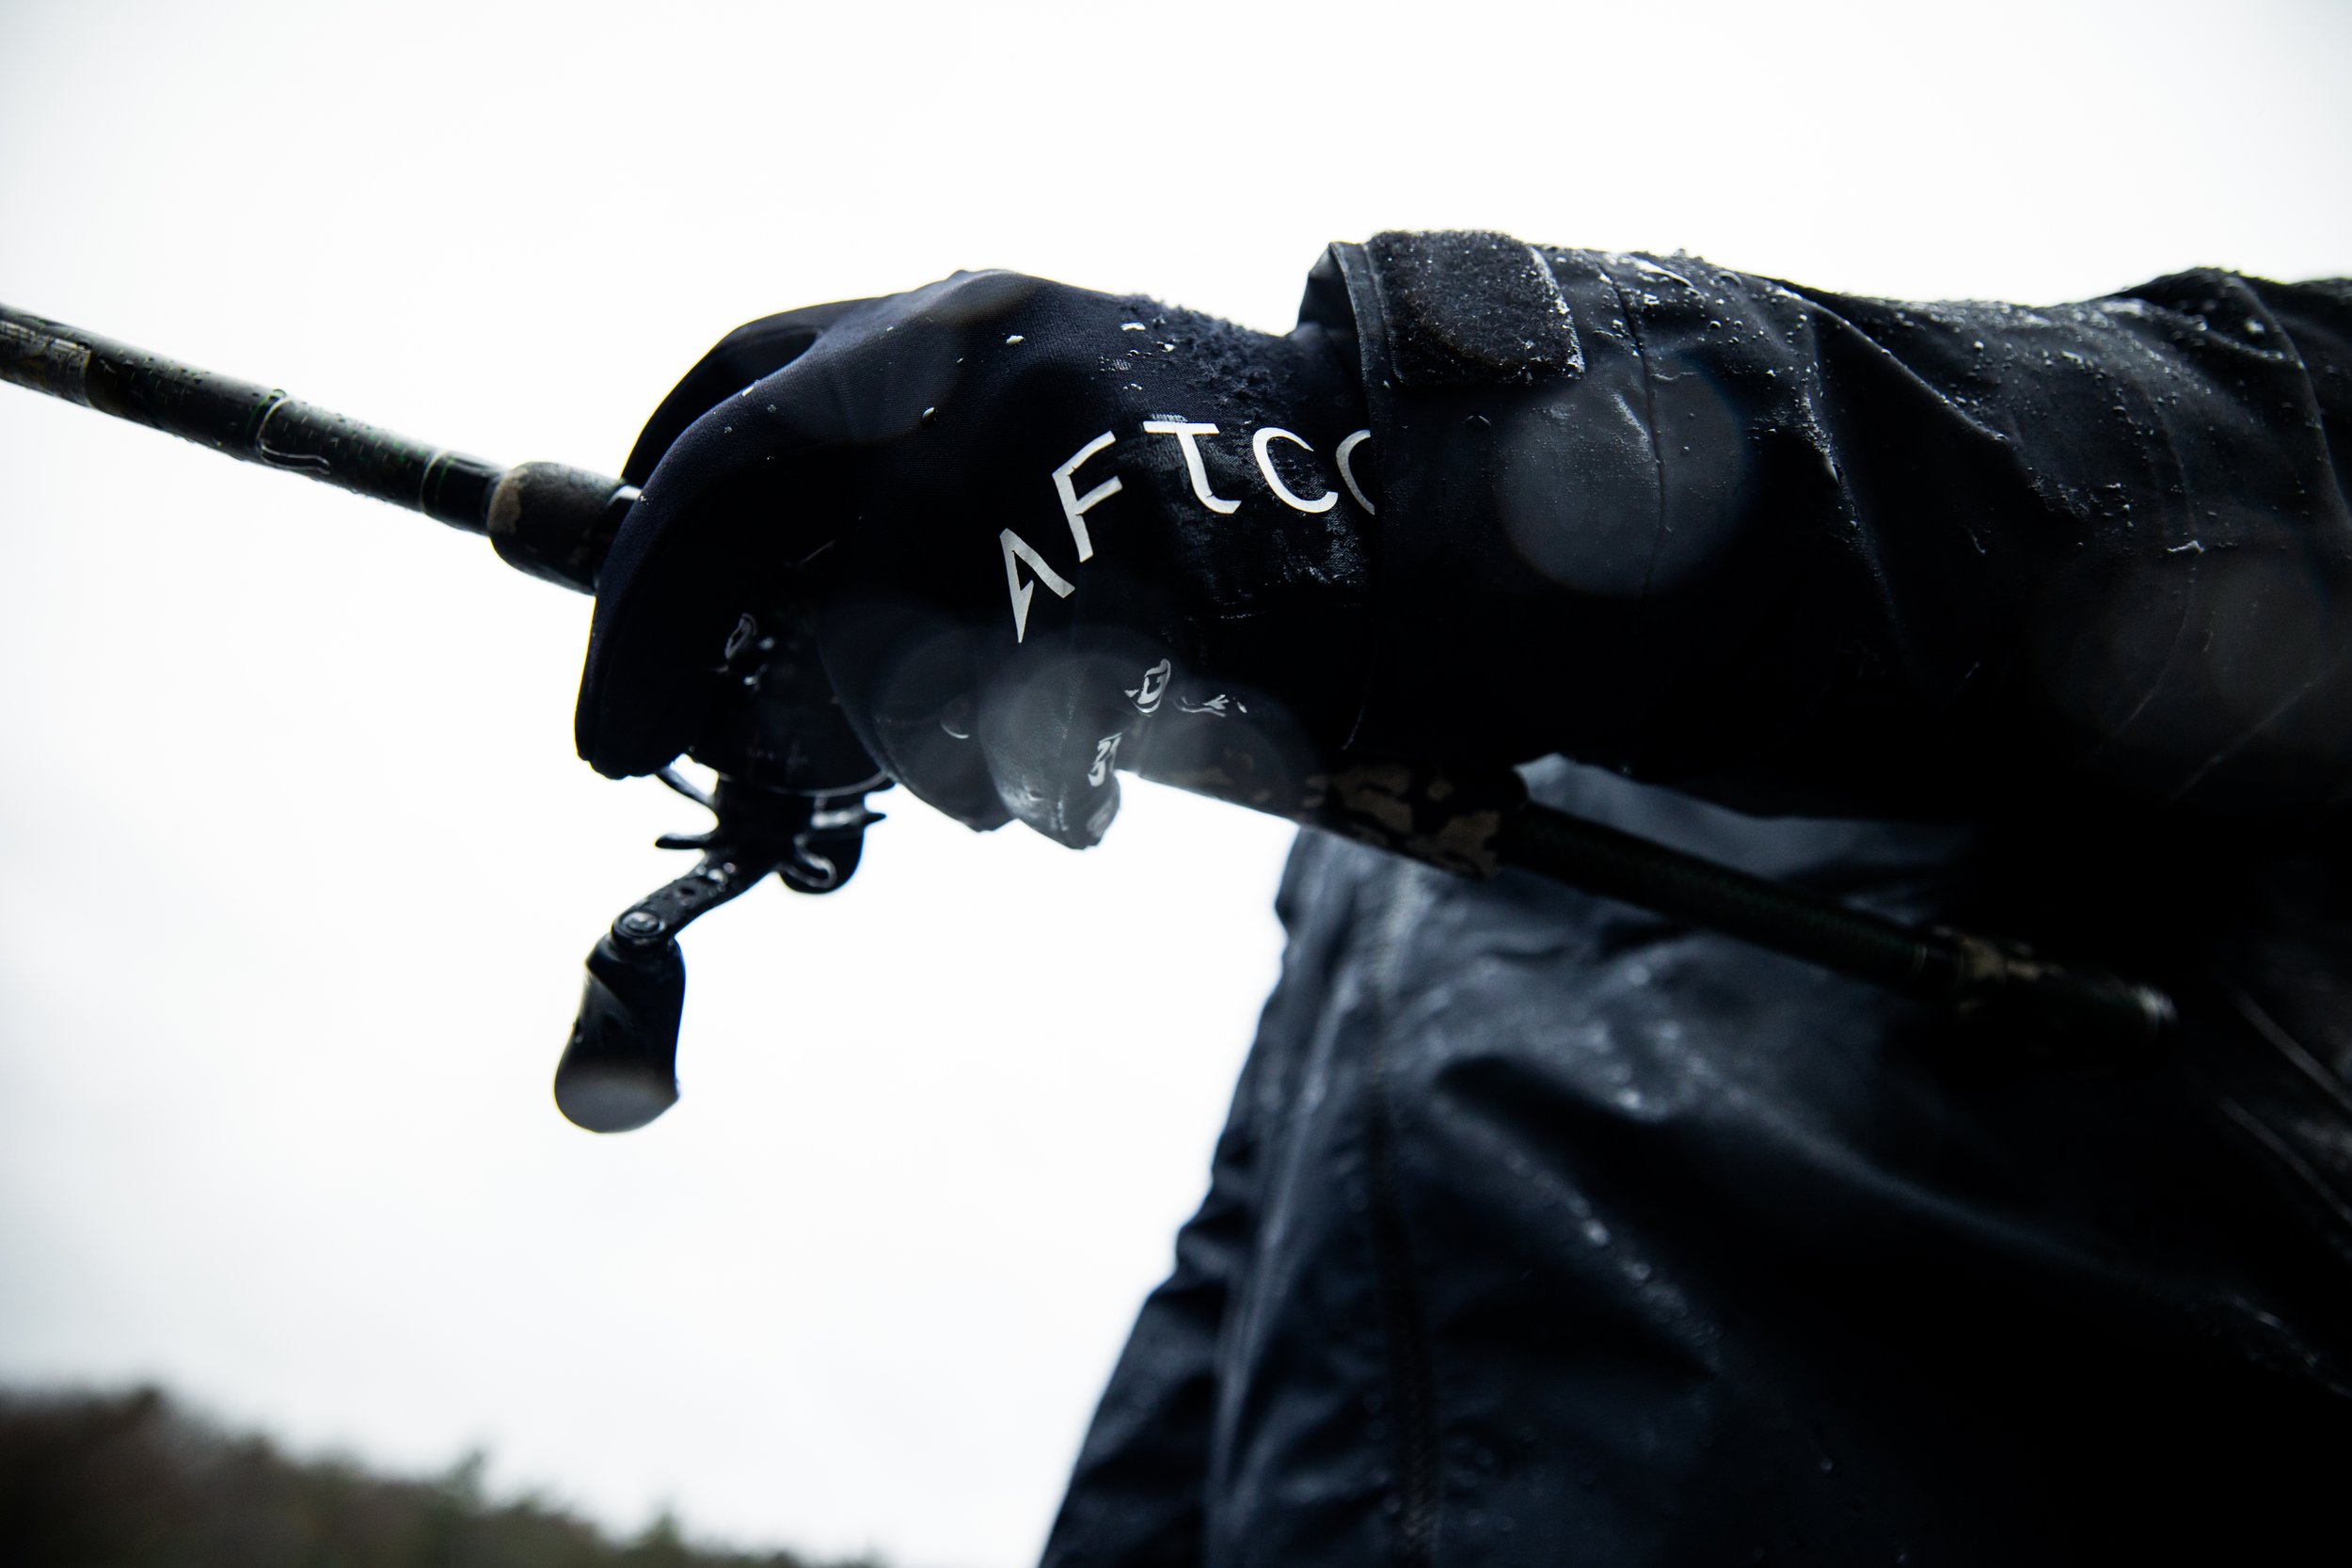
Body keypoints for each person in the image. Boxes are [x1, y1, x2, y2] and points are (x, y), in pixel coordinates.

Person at [576, 234, 2352, 1565]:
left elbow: (2194, 464)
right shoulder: (1357, 895)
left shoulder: (2235, 504)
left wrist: (1338, 460)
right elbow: (1230, 1299)